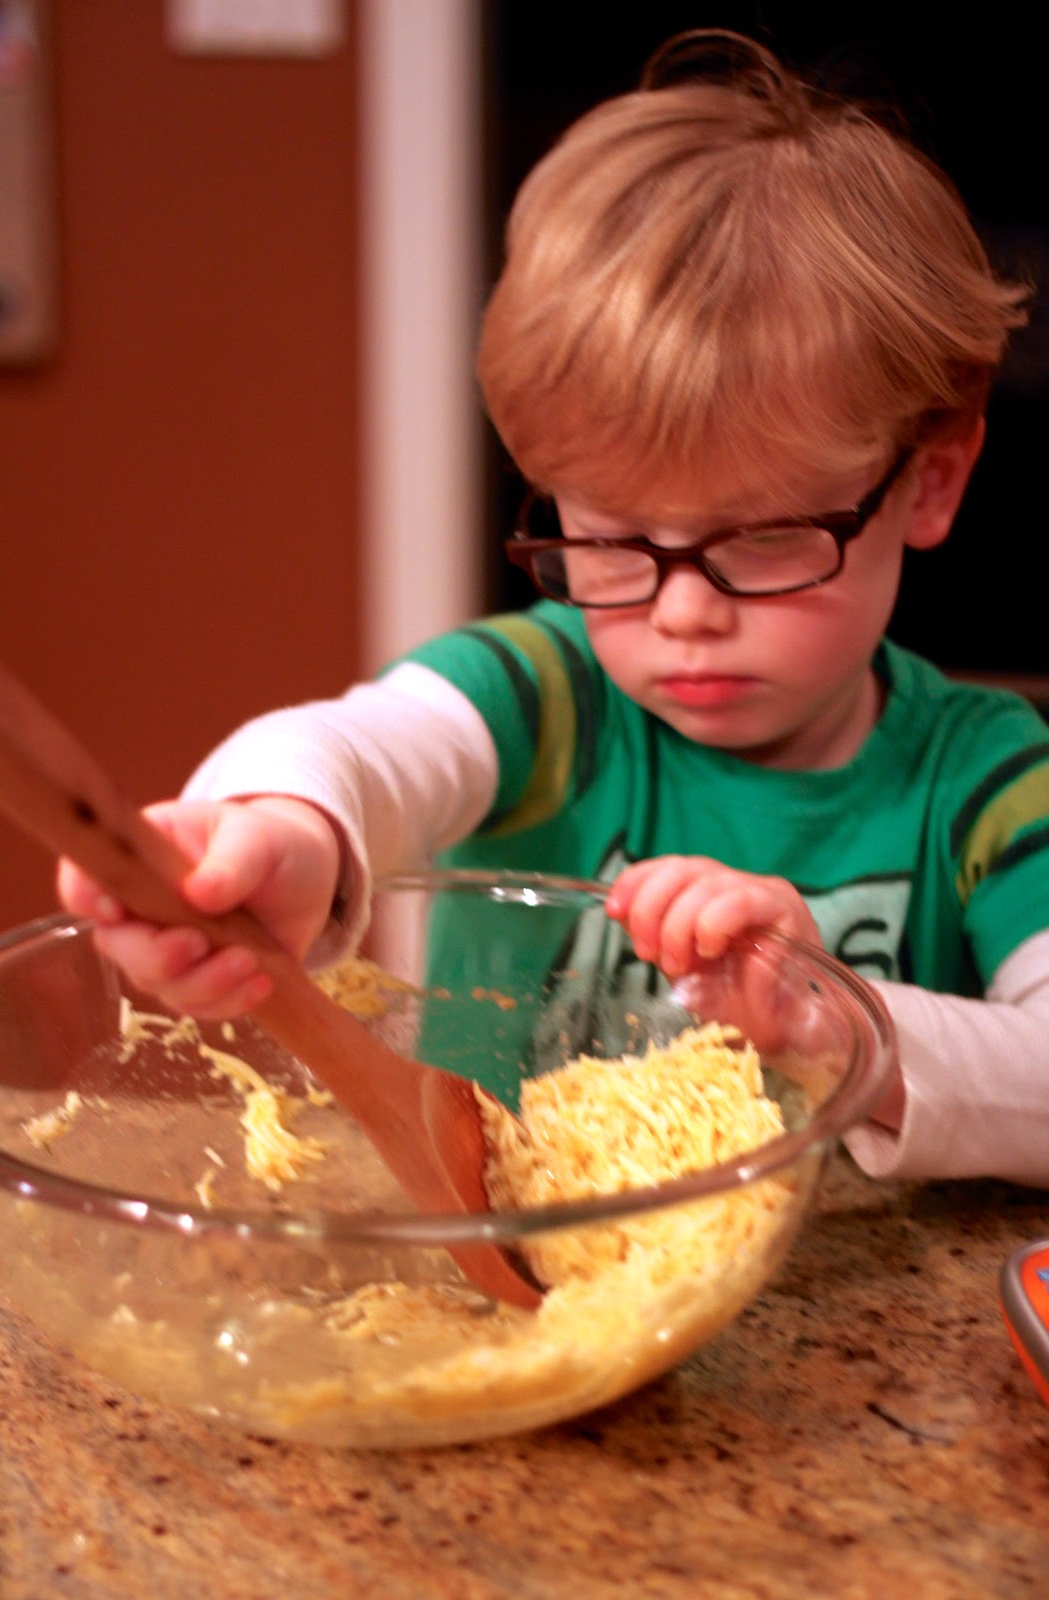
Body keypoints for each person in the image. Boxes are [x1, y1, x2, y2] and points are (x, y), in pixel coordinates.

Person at [59, 30, 1048, 1186]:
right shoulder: (544, 696)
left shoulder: (986, 784)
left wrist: (834, 1023)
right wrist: (279, 833)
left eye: (765, 537)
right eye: (611, 538)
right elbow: (365, 749)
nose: (680, 611)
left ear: (927, 479)